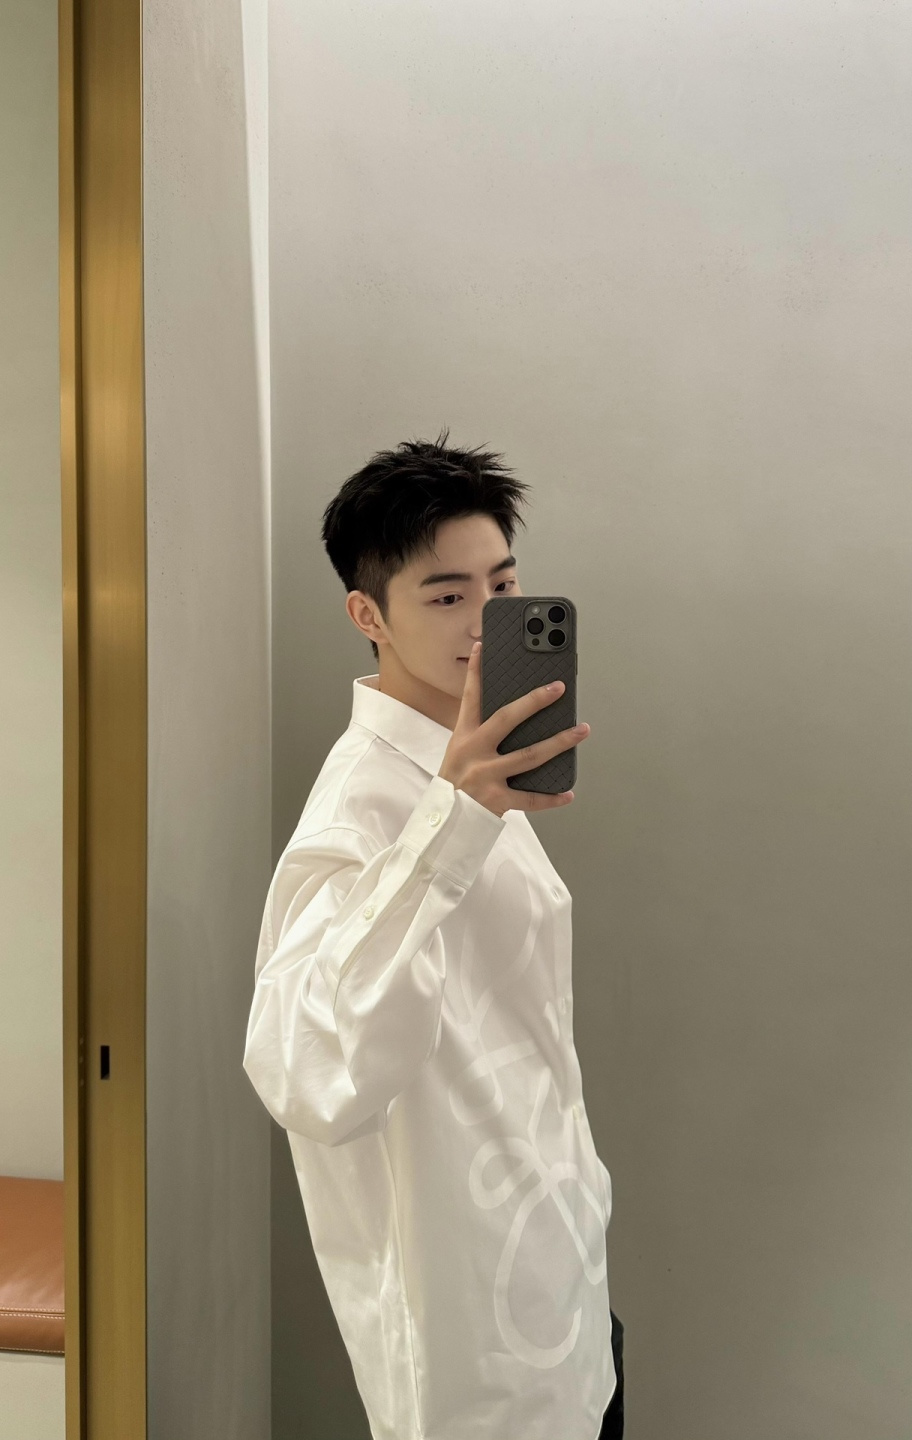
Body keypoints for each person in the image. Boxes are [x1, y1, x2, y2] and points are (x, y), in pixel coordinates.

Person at [243, 430, 623, 1440]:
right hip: (472, 1350)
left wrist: (585, 1199)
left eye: (503, 585)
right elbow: (308, 1069)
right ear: (368, 615)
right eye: (448, 595)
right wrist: (453, 821)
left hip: (565, 1285)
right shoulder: (363, 807)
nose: (485, 620)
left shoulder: (469, 765)